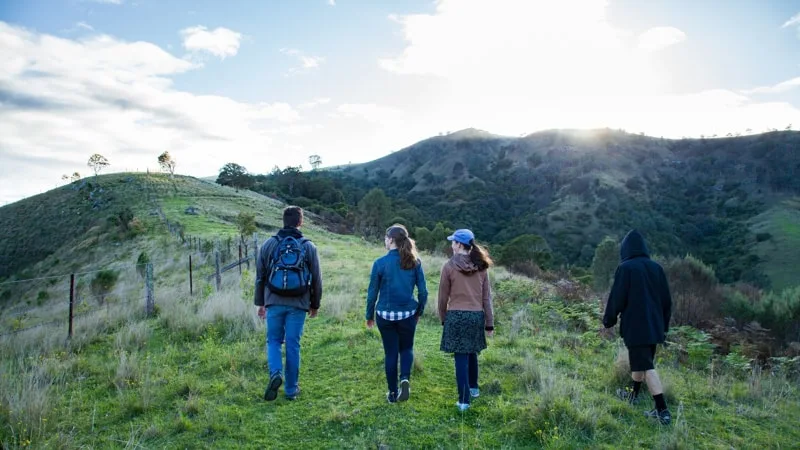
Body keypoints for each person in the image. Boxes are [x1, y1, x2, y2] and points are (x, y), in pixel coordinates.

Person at [602, 229, 673, 425]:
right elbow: (667, 302)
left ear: (625, 249)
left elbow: (617, 298)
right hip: (655, 326)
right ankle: (632, 395)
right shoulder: (656, 268)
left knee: (647, 366)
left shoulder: (626, 268)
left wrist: (609, 320)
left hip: (636, 327)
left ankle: (662, 410)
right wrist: (664, 327)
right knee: (641, 362)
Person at [255, 206, 322, 401]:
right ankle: (291, 391)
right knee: (293, 344)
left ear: (283, 221)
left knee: (274, 341)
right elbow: (317, 279)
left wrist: (261, 303)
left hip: (273, 301)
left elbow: (260, 277)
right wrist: (314, 305)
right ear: (300, 222)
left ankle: (276, 373)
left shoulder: (269, 245)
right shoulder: (309, 246)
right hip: (299, 303)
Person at [365, 224, 428, 404]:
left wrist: (369, 316)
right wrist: (419, 311)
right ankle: (405, 379)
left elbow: (372, 294)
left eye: (386, 238)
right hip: (408, 314)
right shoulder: (415, 262)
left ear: (391, 240)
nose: (384, 241)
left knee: (390, 353)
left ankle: (392, 394)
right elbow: (423, 292)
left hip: (384, 315)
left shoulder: (379, 263)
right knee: (406, 348)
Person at [438, 229, 494, 412]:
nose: (451, 245)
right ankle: (474, 388)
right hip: (476, 316)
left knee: (460, 358)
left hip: (456, 315)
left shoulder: (448, 266)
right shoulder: (482, 267)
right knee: (471, 352)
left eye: (453, 242)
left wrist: (443, 318)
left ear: (459, 245)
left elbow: (442, 297)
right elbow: (487, 299)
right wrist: (489, 323)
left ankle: (464, 401)